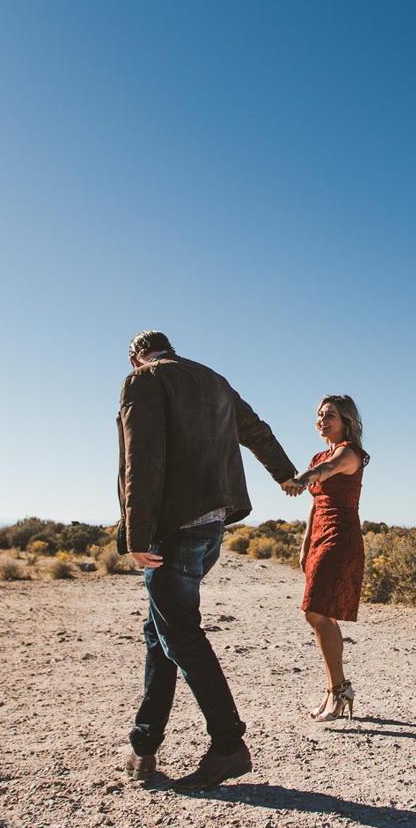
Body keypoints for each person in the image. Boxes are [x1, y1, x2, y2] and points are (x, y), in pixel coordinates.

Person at [116, 330, 299, 789]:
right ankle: (144, 747)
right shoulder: (214, 379)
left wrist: (137, 533)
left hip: (174, 526)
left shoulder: (144, 381)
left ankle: (228, 745)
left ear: (136, 357)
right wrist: (285, 475)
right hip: (214, 523)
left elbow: (142, 456)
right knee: (161, 631)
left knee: (180, 635)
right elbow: (256, 430)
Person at [282, 395, 370, 721]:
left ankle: (338, 688)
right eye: (320, 415)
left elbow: (327, 470)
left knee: (316, 612)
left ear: (345, 420)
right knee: (322, 613)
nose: (322, 419)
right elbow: (314, 504)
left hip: (341, 537)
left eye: (330, 415)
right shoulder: (319, 453)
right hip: (319, 536)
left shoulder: (349, 453)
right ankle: (336, 687)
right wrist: (305, 546)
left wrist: (303, 478)